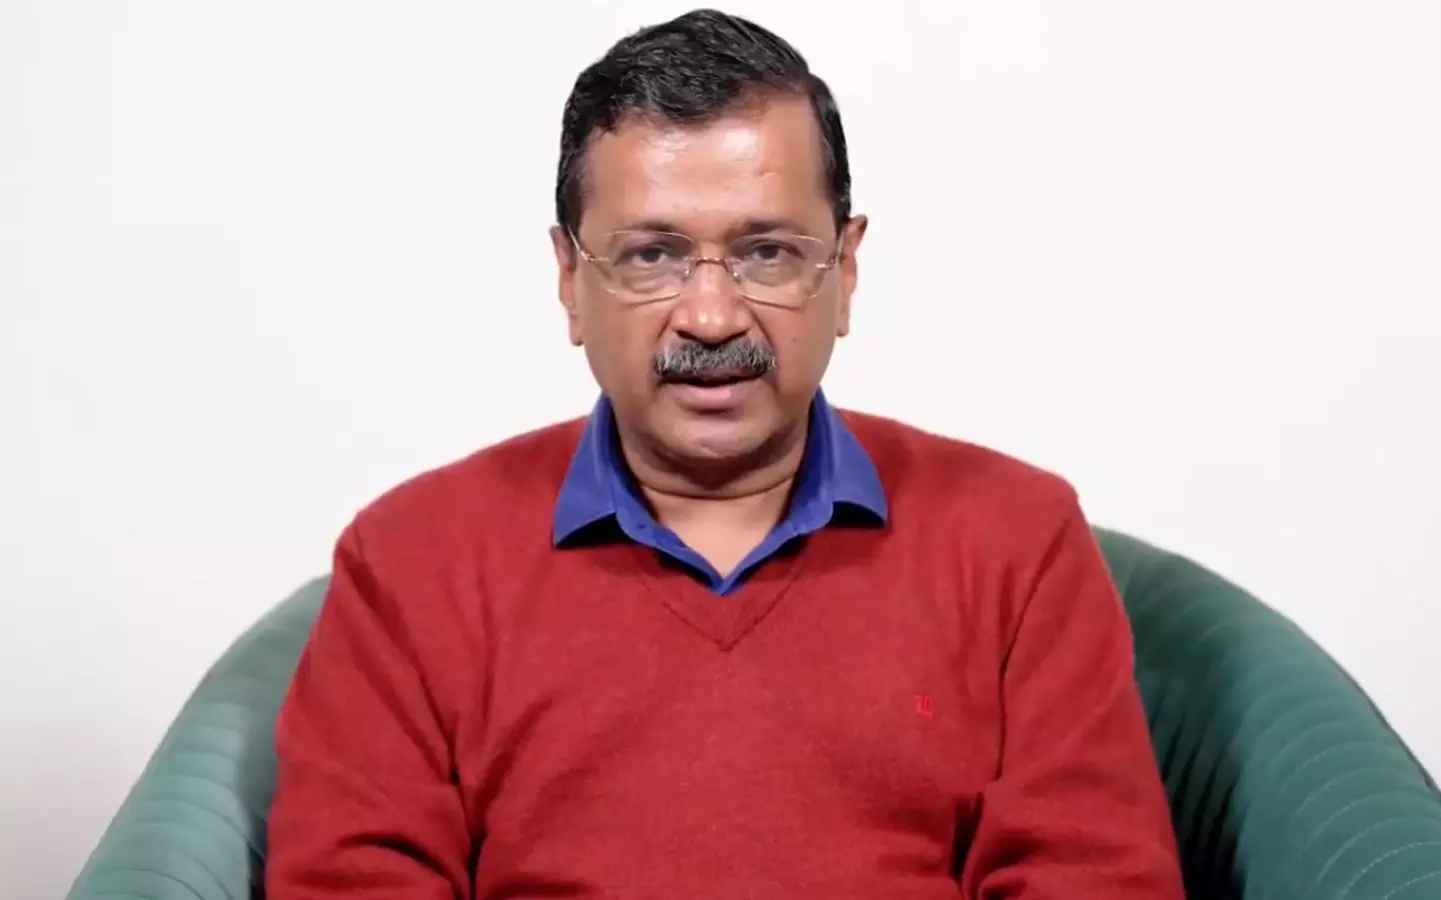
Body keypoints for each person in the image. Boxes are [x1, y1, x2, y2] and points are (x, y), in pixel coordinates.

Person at [266, 8, 1186, 899]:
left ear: (845, 270)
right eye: (652, 256)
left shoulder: (1018, 544)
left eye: (768, 253)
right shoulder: (412, 564)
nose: (710, 317)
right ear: (570, 279)